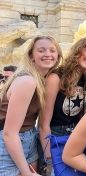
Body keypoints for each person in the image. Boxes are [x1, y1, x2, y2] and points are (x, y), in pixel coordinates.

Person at [39, 37, 86, 175]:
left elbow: (83, 111)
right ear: (78, 51)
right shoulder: (55, 78)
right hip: (56, 137)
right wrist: (49, 158)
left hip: (76, 137)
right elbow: (43, 124)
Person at [0, 36, 62, 175]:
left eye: (52, 50)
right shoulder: (27, 81)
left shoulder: (44, 79)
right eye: (41, 50)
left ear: (58, 56)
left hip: (29, 138)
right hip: (9, 144)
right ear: (31, 55)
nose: (47, 54)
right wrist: (26, 173)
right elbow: (9, 133)